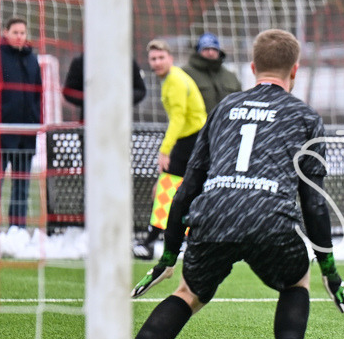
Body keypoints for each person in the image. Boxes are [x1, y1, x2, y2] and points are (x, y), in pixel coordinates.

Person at [129, 28, 344, 339]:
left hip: (214, 213)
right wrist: (329, 269)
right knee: (296, 280)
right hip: (270, 217)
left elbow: (186, 188)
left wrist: (169, 255)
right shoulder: (304, 116)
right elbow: (313, 201)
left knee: (187, 293)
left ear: (253, 68)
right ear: (295, 71)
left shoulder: (224, 108)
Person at [134, 39, 207, 259]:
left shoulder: (174, 81)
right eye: (153, 59)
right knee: (181, 191)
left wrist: (165, 150)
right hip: (194, 140)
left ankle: (150, 243)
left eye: (160, 58)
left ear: (170, 59)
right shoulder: (172, 79)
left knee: (166, 189)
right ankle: (178, 239)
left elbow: (177, 119)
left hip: (190, 140)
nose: (156, 63)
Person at [0, 17, 42, 228]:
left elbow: (38, 94)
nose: (20, 36)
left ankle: (18, 231)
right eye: (15, 32)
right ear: (5, 32)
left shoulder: (32, 59)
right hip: (1, 134)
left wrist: (37, 121)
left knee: (22, 186)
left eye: (23, 32)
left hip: (26, 134)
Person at [61, 53, 147, 116]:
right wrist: (92, 99)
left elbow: (140, 90)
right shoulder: (81, 61)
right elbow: (68, 91)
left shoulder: (126, 61)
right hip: (89, 125)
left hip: (120, 124)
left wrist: (120, 98)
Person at [183, 32, 242, 114]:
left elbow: (240, 102)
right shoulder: (185, 74)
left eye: (214, 49)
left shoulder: (230, 76)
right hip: (199, 125)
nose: (210, 52)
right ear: (198, 50)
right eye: (206, 49)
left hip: (226, 125)